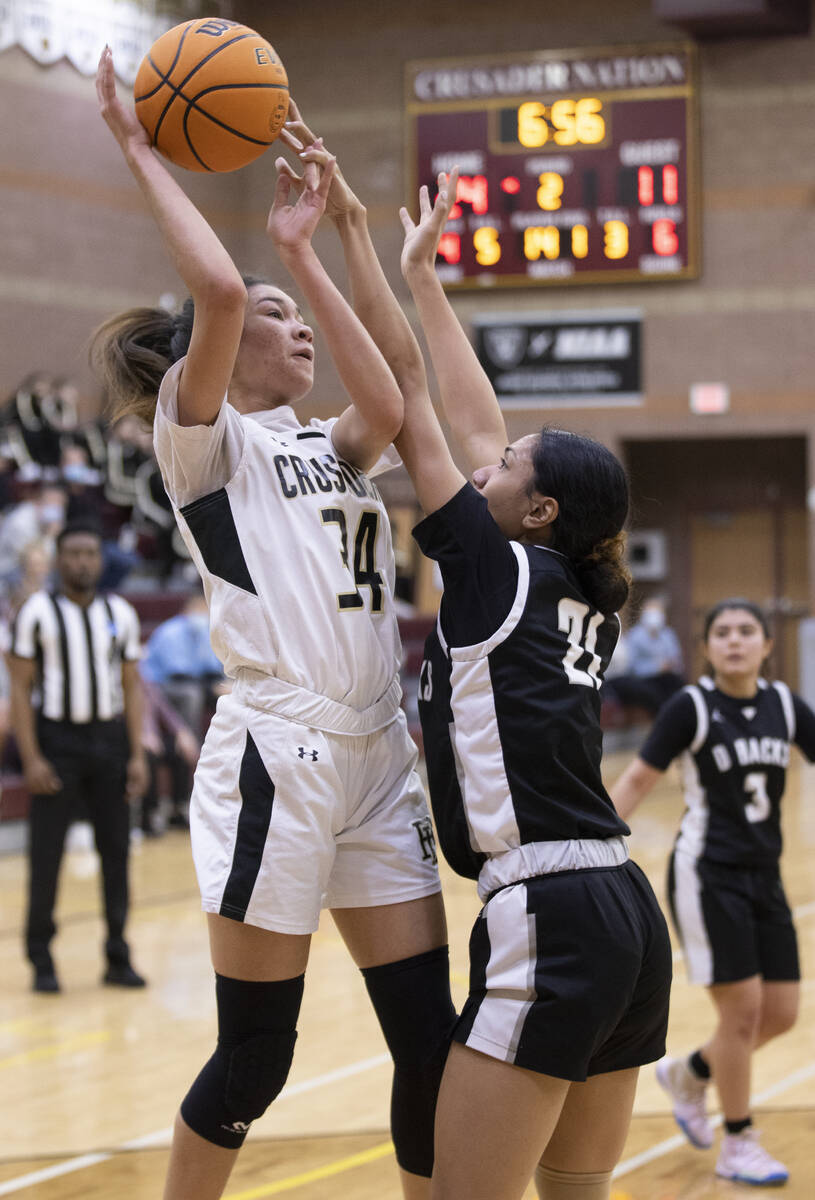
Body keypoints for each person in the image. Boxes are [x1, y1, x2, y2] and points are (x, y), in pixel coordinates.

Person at [92, 51, 453, 1200]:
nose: (299, 333)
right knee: (257, 1057)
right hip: (277, 756)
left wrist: (308, 250)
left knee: (427, 1047)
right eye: (278, 316)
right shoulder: (205, 444)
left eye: (301, 318)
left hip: (376, 754)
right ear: (221, 342)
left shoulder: (324, 444)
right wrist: (140, 150)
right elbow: (208, 291)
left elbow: (391, 403)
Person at [382, 168, 672, 1200]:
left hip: (548, 904)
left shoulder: (497, 566)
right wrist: (424, 278)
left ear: (536, 510)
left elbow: (412, 404)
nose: (481, 465)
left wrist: (341, 243)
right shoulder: (559, 578)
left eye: (502, 466)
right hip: (622, 912)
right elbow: (470, 425)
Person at [610, 599, 808, 1187]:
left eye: (747, 632)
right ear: (706, 647)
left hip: (765, 877)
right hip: (707, 874)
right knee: (742, 1013)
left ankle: (691, 1073)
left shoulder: (784, 706)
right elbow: (636, 780)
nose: (735, 641)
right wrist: (591, 853)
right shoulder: (690, 707)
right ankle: (739, 1141)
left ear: (767, 645)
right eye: (722, 633)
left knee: (781, 1013)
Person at [7, 521, 148, 992]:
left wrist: (136, 755)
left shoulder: (121, 612)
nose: (82, 562)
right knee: (46, 855)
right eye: (73, 554)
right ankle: (41, 958)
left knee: (117, 852)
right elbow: (21, 690)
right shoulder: (36, 613)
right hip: (57, 742)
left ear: (101, 559)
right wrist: (31, 758)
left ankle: (117, 953)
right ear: (59, 559)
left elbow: (131, 686)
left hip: (109, 741)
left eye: (90, 553)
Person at [602, 595, 684, 718]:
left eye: (658, 612)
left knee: (677, 684)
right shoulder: (636, 636)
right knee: (651, 692)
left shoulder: (668, 635)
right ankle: (665, 717)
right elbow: (632, 667)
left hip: (665, 677)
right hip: (642, 678)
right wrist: (657, 667)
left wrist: (670, 666)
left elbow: (676, 660)